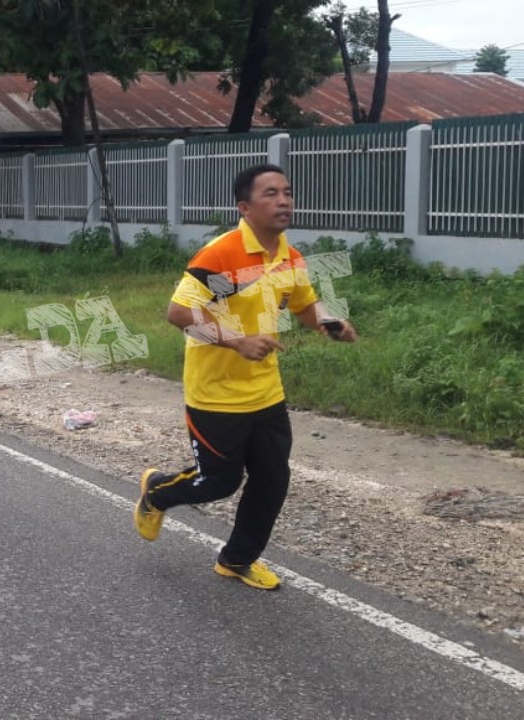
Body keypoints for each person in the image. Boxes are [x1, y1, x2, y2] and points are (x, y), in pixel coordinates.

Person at [133, 163, 358, 591]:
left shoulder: (288, 257)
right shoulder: (224, 255)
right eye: (271, 193)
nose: (284, 201)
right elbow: (178, 314)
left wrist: (329, 323)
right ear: (245, 206)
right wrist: (236, 341)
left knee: (273, 481)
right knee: (219, 482)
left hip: (266, 392)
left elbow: (305, 305)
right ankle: (158, 492)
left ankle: (237, 559)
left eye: (287, 192)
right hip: (215, 395)